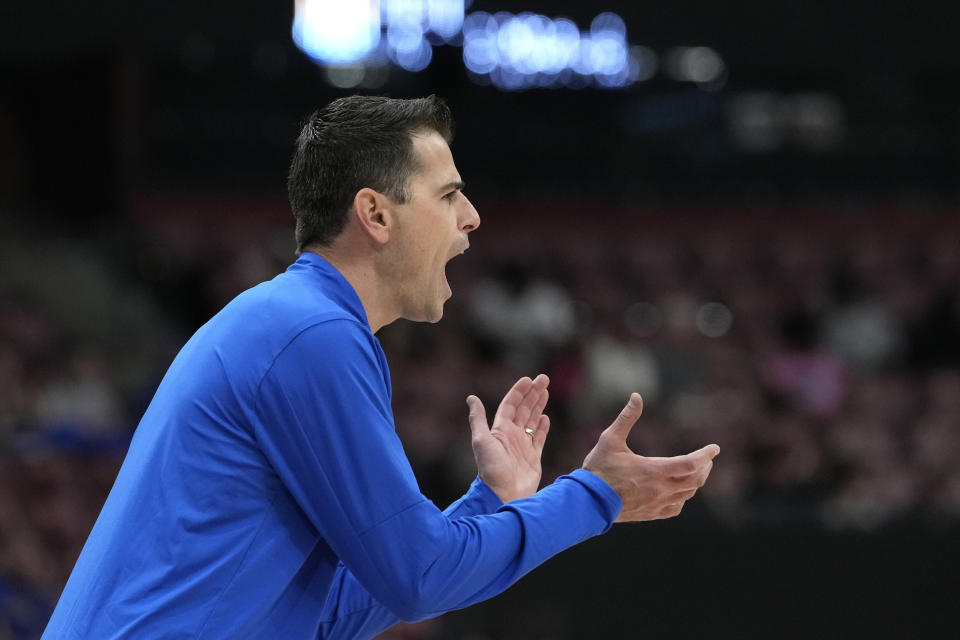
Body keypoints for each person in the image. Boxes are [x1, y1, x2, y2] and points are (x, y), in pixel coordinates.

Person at [42, 95, 720, 639]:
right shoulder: (309, 335)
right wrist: (593, 497)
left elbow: (333, 613)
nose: (475, 218)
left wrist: (491, 502)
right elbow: (417, 578)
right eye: (449, 195)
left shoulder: (295, 323)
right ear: (374, 213)